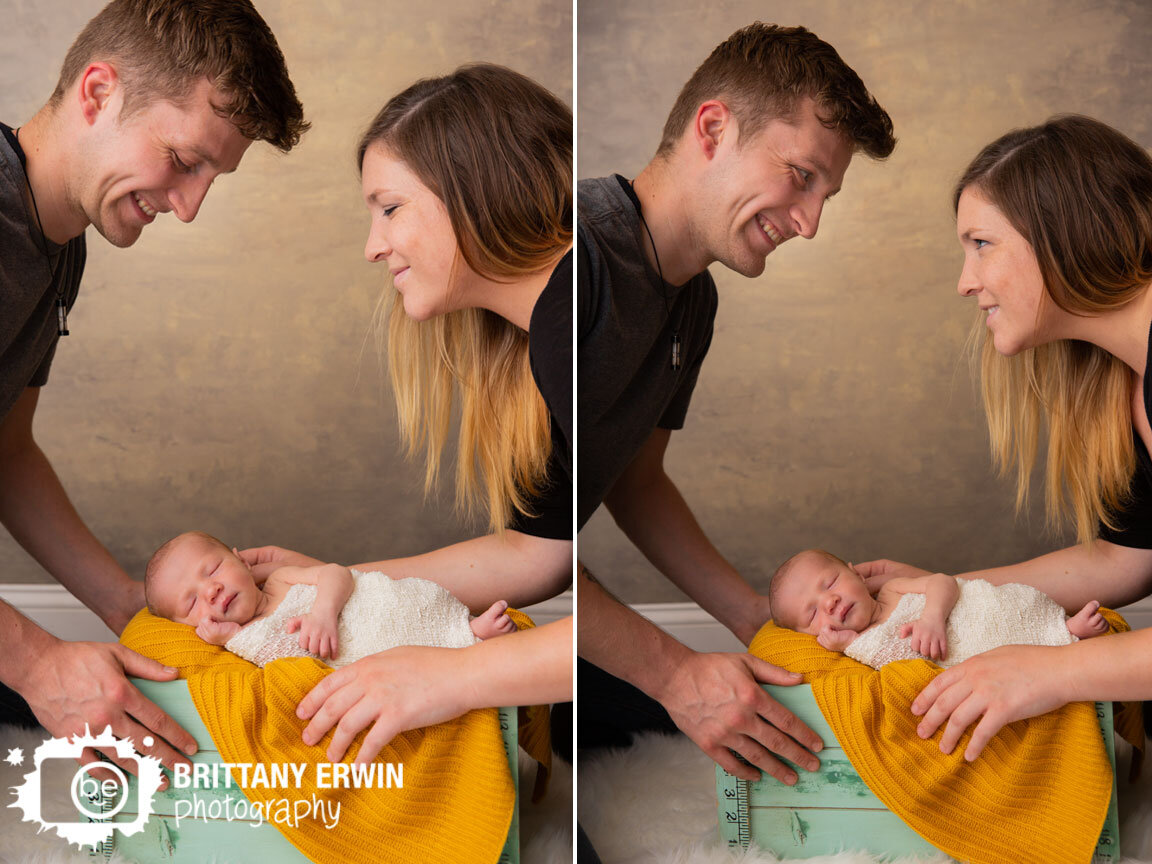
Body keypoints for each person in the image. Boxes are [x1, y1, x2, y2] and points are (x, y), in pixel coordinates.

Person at [577, 22, 896, 788]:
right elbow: (521, 532)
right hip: (495, 603)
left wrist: (758, 622)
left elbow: (636, 481)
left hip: (556, 598)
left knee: (756, 720)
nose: (810, 223)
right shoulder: (578, 257)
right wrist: (676, 674)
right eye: (800, 176)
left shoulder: (695, 302)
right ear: (714, 129)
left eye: (827, 194)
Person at [0, 0, 306, 784]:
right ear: (97, 94)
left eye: (212, 177)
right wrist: (38, 665)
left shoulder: (58, 248)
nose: (190, 206)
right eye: (182, 159)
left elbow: (4, 451)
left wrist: (135, 613)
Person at [241, 63, 573, 768]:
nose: (371, 246)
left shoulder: (583, 328)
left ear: (476, 193)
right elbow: (543, 555)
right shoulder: (540, 344)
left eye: (389, 208)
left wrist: (448, 677)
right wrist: (340, 580)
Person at [857, 114, 1152, 762]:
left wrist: (1044, 673)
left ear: (1064, 235)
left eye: (981, 244)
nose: (965, 281)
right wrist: (947, 588)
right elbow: (1124, 562)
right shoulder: (1127, 384)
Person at [144, 531, 515, 668]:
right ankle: (468, 641)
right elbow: (273, 657)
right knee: (400, 657)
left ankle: (464, 629)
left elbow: (336, 573)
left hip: (365, 610)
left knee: (401, 606)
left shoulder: (280, 579)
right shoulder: (240, 642)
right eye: (191, 604)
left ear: (241, 559)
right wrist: (227, 638)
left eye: (212, 570)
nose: (210, 591)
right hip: (362, 655)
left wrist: (323, 611)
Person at [769, 548, 1108, 669]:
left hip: (972, 613)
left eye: (829, 583)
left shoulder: (892, 588)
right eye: (812, 614)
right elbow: (889, 660)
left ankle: (1062, 628)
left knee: (1008, 609)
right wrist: (846, 644)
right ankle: (1065, 636)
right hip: (973, 655)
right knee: (1008, 651)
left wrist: (932, 617)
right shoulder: (858, 648)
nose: (828, 603)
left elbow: (943, 582)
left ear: (855, 571)